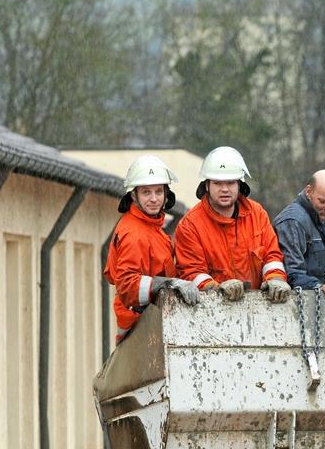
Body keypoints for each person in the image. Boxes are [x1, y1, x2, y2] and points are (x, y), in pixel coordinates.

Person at [175, 146, 291, 303]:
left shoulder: (257, 213)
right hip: (212, 311)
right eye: (217, 183)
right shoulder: (190, 225)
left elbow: (272, 255)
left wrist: (276, 279)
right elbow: (191, 272)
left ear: (239, 185)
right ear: (207, 186)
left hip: (260, 308)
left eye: (230, 183)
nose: (224, 189)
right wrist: (217, 288)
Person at [104, 155, 200, 343]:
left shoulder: (150, 227)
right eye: (146, 193)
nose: (154, 199)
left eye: (158, 191)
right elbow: (127, 285)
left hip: (151, 321)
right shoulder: (133, 232)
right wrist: (169, 284)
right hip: (139, 327)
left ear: (166, 194)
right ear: (134, 195)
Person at [274, 169, 325, 302]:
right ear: (308, 191)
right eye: (323, 201)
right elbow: (293, 274)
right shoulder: (292, 222)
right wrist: (319, 286)